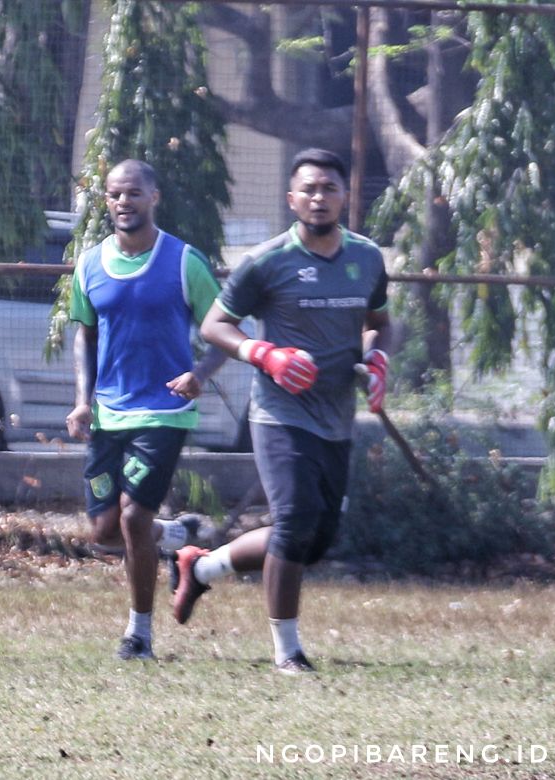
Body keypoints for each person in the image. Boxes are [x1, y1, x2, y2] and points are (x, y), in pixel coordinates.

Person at [176, 148, 391, 674]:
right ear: (291, 198)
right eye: (309, 190)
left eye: (329, 188)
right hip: (279, 414)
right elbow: (214, 325)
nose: (319, 198)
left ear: (346, 195)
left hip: (336, 415)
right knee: (294, 523)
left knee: (315, 540)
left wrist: (377, 356)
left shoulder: (368, 257)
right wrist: (263, 353)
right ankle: (287, 653)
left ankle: (201, 568)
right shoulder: (267, 260)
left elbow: (379, 320)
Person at [67, 159, 226, 661]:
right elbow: (84, 333)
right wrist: (81, 399)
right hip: (108, 413)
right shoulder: (90, 263)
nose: (122, 202)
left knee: (134, 516)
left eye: (133, 193)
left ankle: (139, 635)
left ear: (154, 196)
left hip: (164, 410)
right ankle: (176, 538)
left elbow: (223, 332)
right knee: (105, 530)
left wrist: (200, 375)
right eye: (114, 194)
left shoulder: (183, 261)